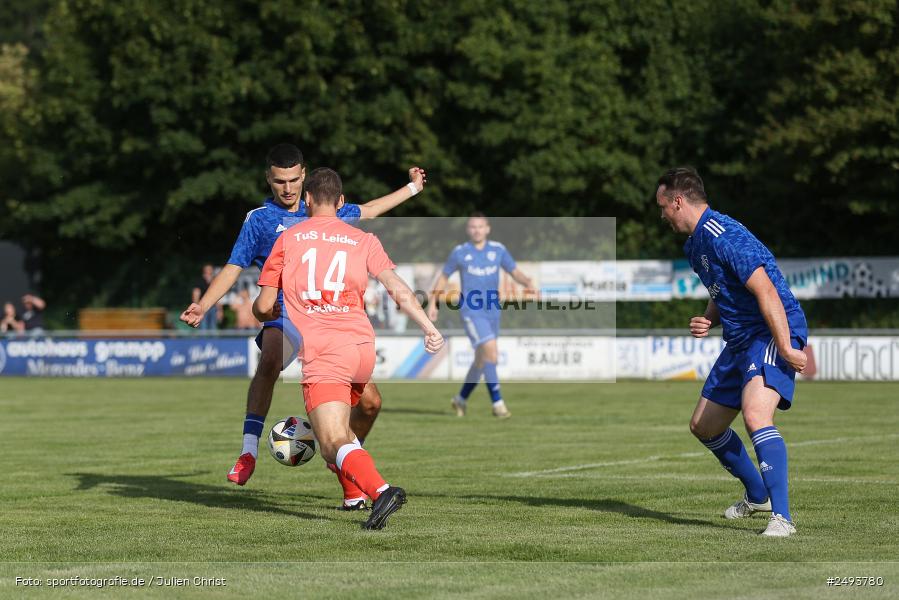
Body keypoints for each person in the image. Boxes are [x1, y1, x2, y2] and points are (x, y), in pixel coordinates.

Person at [180, 143, 426, 508]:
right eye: (280, 181)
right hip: (284, 313)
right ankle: (248, 452)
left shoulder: (328, 211)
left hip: (329, 323)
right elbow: (233, 267)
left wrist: (412, 190)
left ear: (304, 177)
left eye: (294, 180)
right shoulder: (260, 219)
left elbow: (371, 210)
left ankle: (346, 471)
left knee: (371, 404)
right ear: (269, 179)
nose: (288, 188)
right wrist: (203, 304)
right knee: (270, 361)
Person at [253, 167, 443, 529]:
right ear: (341, 202)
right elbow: (396, 286)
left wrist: (267, 308)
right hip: (361, 348)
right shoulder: (363, 239)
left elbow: (263, 307)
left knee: (330, 441)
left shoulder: (288, 238)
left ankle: (382, 491)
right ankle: (354, 493)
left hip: (326, 352)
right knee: (346, 425)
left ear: (307, 199)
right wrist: (428, 327)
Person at [655, 166, 808, 537]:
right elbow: (723, 289)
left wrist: (786, 346)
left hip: (770, 330)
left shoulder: (724, 235)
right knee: (703, 426)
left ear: (678, 201)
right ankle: (758, 494)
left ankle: (783, 519)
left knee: (756, 415)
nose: (661, 215)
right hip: (739, 338)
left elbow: (766, 291)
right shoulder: (694, 245)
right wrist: (709, 318)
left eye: (663, 206)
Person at [427, 213, 534, 418]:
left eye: (480, 226)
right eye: (473, 227)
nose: (477, 230)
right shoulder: (460, 252)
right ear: (468, 230)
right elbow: (443, 277)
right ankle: (498, 405)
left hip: (493, 310)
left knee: (480, 360)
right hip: (471, 311)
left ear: (488, 229)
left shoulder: (498, 250)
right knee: (491, 352)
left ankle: (460, 400)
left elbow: (514, 272)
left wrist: (528, 282)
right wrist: (433, 301)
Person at [192, 265, 220, 330]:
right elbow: (196, 294)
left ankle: (213, 340)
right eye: (208, 269)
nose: (210, 271)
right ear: (204, 271)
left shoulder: (214, 281)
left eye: (211, 269)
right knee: (203, 327)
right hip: (202, 307)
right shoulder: (200, 281)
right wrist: (196, 308)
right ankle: (203, 340)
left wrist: (219, 310)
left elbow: (217, 296)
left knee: (213, 327)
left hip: (213, 307)